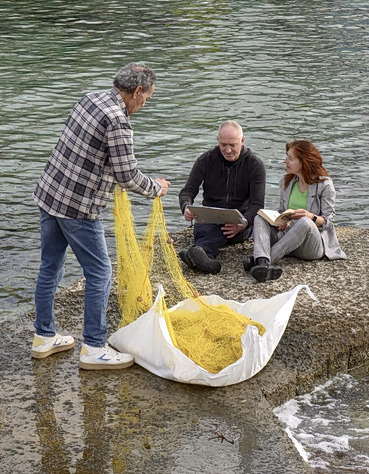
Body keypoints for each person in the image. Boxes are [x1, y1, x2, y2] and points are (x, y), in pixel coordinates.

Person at [32, 62, 170, 370]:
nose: (145, 104)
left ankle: (43, 337)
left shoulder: (90, 98)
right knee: (100, 273)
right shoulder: (118, 121)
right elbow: (129, 176)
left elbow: (85, 152)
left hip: (49, 194)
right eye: (147, 97)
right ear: (136, 91)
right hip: (78, 209)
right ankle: (94, 347)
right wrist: (157, 188)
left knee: (49, 266)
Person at [245, 139, 346, 282]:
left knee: (305, 222)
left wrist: (310, 216)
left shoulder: (324, 185)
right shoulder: (286, 182)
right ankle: (262, 261)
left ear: (304, 162)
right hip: (288, 240)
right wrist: (283, 220)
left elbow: (328, 222)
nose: (285, 161)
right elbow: (282, 210)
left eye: (290, 158)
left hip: (310, 246)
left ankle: (263, 261)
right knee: (259, 217)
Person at [177, 121, 266, 274]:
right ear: (217, 140)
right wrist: (186, 206)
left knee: (220, 229)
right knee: (202, 225)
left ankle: (198, 251)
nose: (228, 150)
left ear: (242, 141)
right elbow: (188, 191)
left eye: (233, 145)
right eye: (223, 145)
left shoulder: (255, 165)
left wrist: (243, 223)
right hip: (211, 217)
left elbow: (257, 204)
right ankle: (205, 257)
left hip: (240, 221)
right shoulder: (205, 160)